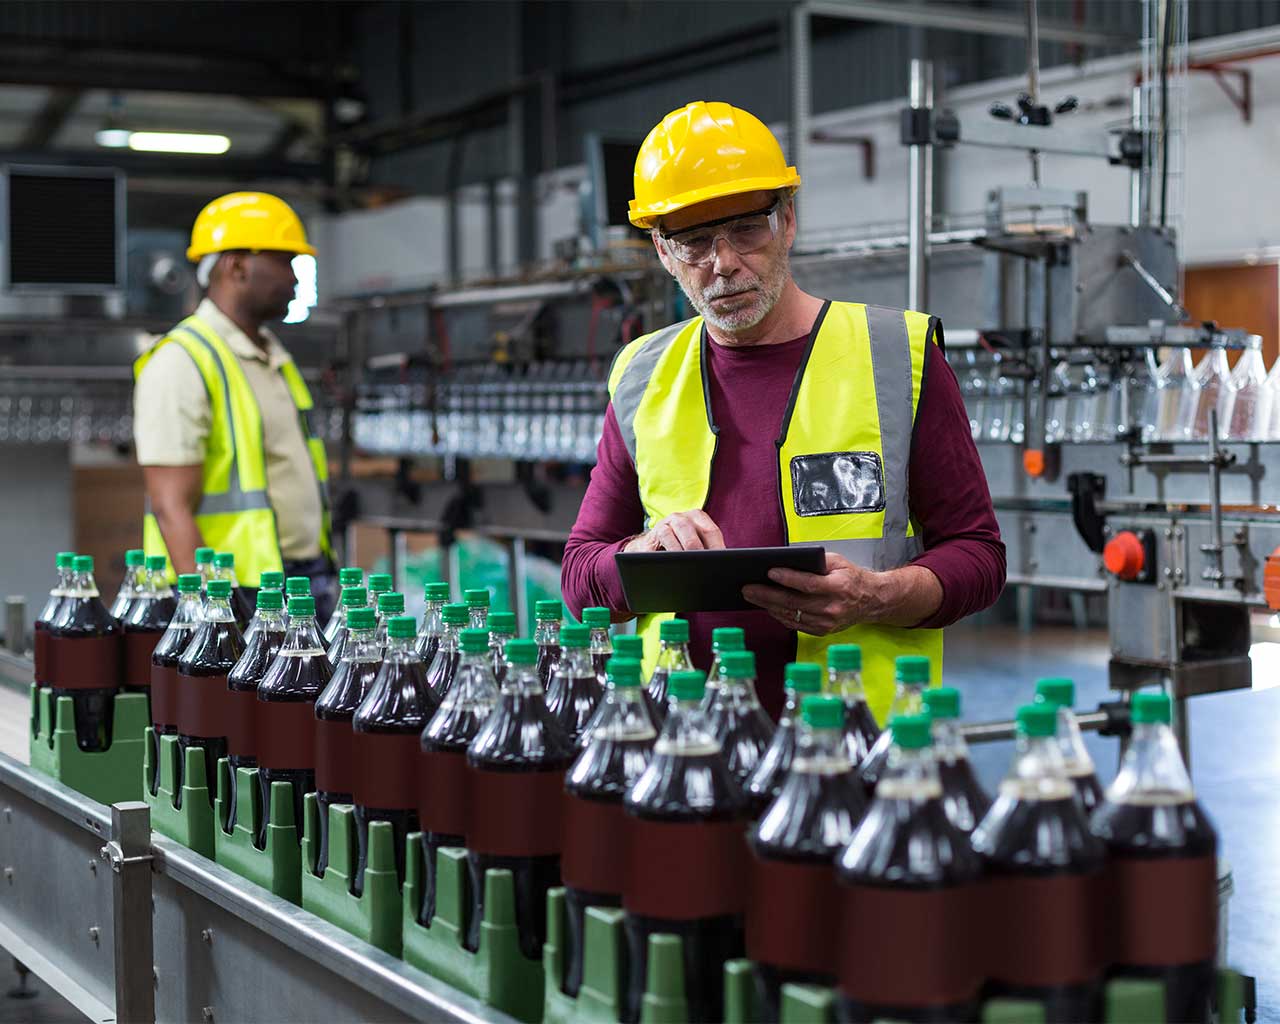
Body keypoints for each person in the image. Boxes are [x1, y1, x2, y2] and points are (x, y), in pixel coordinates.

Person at [561, 101, 1005, 721]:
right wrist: (643, 553)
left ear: (788, 220)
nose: (724, 262)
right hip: (679, 744)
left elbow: (979, 556)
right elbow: (581, 578)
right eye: (693, 241)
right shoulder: (643, 375)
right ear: (662, 252)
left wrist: (876, 597)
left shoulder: (895, 358)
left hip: (855, 742)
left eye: (747, 228)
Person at [133, 192, 337, 621]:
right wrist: (216, 616)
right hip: (237, 593)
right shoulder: (181, 360)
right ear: (236, 265)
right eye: (285, 262)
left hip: (299, 578)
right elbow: (171, 506)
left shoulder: (272, 356)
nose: (296, 280)